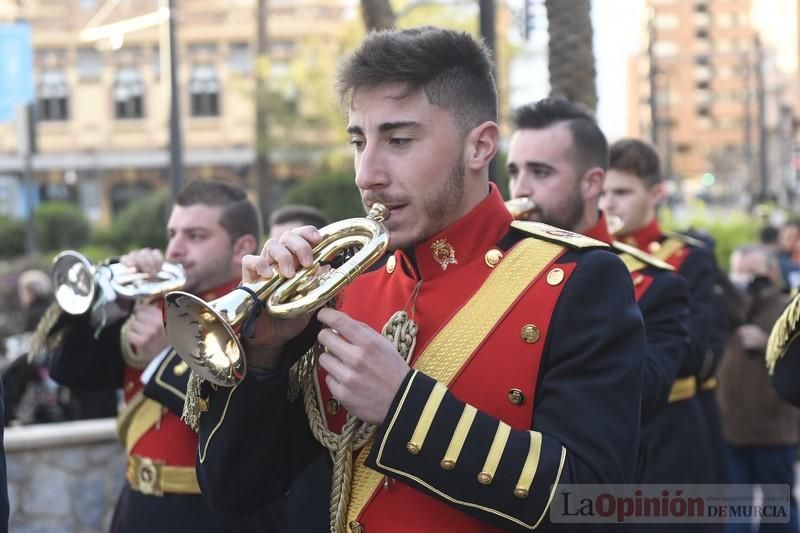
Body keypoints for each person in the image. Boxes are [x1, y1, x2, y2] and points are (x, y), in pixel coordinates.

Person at [193, 26, 646, 532]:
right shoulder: (346, 285)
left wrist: (403, 404)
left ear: (480, 148)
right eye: (359, 141)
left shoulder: (579, 279)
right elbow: (235, 490)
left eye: (399, 140)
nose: (367, 173)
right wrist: (264, 356)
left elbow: (591, 501)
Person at [41, 180, 280, 533]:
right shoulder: (156, 303)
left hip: (215, 516)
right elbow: (68, 369)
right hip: (137, 507)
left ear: (241, 248)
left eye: (195, 236)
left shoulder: (263, 319)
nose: (175, 249)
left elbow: (243, 421)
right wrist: (112, 295)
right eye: (173, 234)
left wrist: (161, 357)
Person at [506, 97, 689, 424]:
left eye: (540, 172)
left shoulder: (658, 287)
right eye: (514, 171)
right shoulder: (498, 265)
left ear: (591, 183)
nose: (520, 189)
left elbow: (635, 399)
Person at [601, 139, 721, 528]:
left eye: (621, 192)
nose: (609, 204)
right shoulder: (591, 257)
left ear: (656, 194)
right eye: (603, 192)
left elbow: (696, 351)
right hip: (605, 429)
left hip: (673, 429)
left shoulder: (688, 259)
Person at [718, 245, 799, 533]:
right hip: (731, 428)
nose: (744, 277)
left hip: (774, 430)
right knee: (735, 507)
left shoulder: (787, 308)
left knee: (779, 508)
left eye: (752, 270)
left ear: (772, 272)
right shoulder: (731, 307)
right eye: (739, 270)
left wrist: (767, 342)